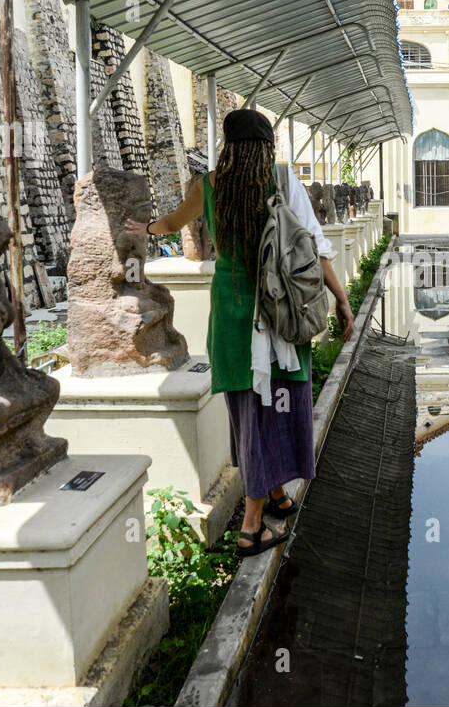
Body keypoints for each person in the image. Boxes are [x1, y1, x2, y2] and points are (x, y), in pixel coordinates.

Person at [125, 109, 354, 558]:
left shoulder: (208, 186)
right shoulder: (282, 182)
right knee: (276, 412)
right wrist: (341, 299)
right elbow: (314, 247)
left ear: (227, 145)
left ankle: (275, 494)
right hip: (278, 314)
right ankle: (251, 528)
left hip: (230, 318)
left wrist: (143, 228)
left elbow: (172, 223)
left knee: (249, 414)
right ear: (268, 146)